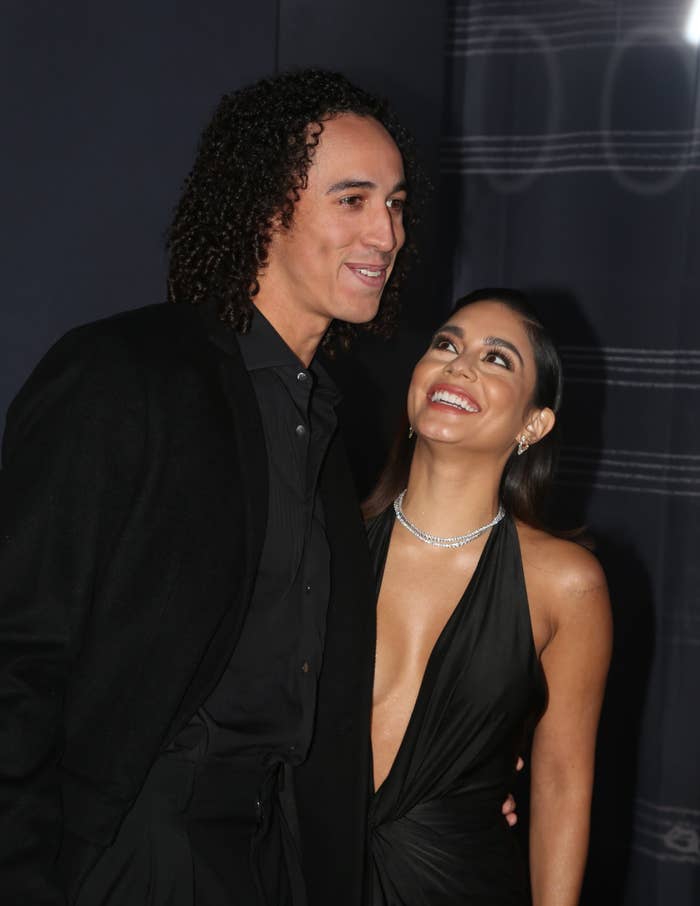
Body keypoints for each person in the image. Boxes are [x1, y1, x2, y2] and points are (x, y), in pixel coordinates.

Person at [0, 69, 419, 906]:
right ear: (268, 205)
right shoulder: (126, 373)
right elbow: (19, 651)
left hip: (270, 856)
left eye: (398, 203)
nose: (388, 231)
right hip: (129, 849)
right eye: (353, 199)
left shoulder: (334, 427)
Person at [363, 288, 613, 905]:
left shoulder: (566, 583)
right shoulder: (324, 540)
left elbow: (560, 784)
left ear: (534, 424)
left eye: (498, 359)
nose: (460, 364)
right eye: (445, 344)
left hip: (460, 883)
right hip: (299, 872)